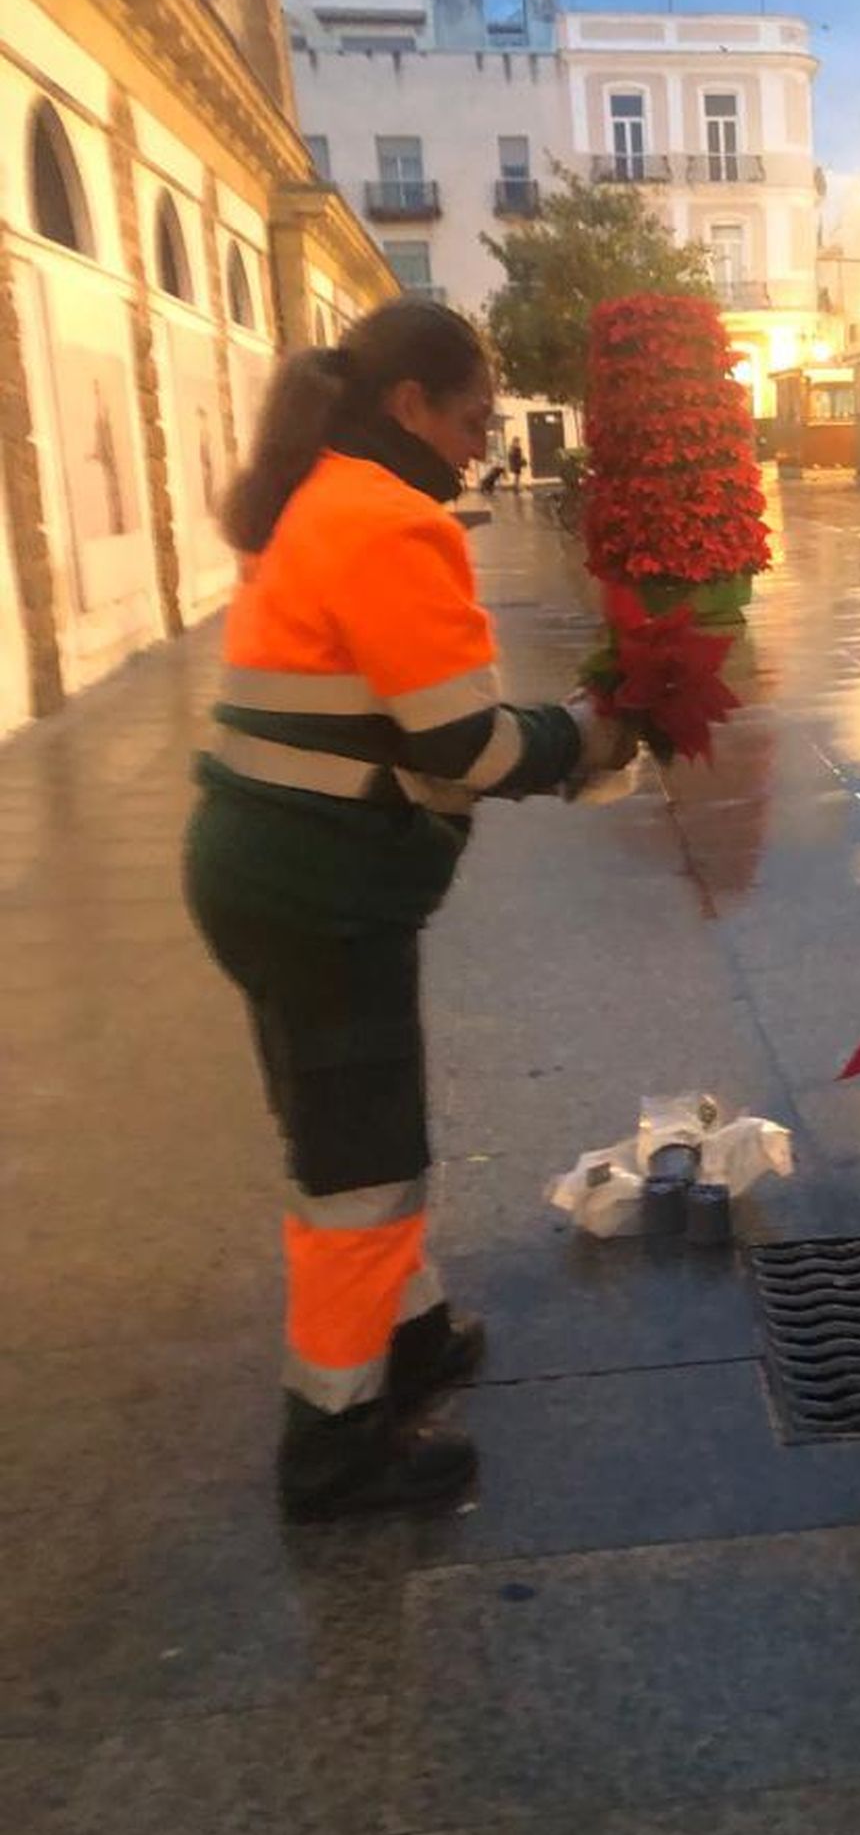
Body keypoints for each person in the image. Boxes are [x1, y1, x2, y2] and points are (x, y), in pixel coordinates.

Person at [185, 299, 635, 1522]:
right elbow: (460, 740)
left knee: (342, 1127)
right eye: (474, 416)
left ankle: (415, 1330)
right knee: (360, 1167)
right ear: (410, 406)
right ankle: (333, 1442)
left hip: (266, 870)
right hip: (313, 887)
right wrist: (591, 737)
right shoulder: (391, 522)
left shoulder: (320, 498)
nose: (479, 441)